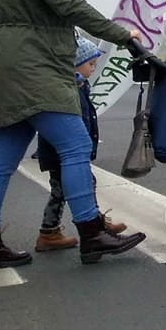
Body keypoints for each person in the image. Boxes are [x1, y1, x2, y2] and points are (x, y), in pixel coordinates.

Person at [0, 0, 147, 269]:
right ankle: (91, 232)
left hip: (9, 66)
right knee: (75, 145)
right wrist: (122, 35)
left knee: (3, 159)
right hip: (33, 67)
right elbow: (69, 5)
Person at [32, 37, 129, 252]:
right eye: (90, 64)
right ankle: (49, 232)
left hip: (66, 152)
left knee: (80, 185)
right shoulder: (70, 89)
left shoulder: (81, 85)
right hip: (61, 153)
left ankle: (93, 222)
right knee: (63, 191)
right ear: (74, 64)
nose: (94, 69)